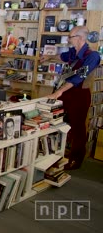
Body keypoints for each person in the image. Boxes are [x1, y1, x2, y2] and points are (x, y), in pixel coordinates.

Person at [41, 26, 101, 170]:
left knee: (78, 127)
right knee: (57, 121)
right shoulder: (74, 52)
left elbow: (79, 77)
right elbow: (62, 57)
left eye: (70, 37)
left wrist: (58, 92)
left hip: (79, 95)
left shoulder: (93, 56)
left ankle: (76, 158)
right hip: (66, 92)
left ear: (80, 38)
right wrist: (49, 57)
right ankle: (56, 153)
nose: (68, 39)